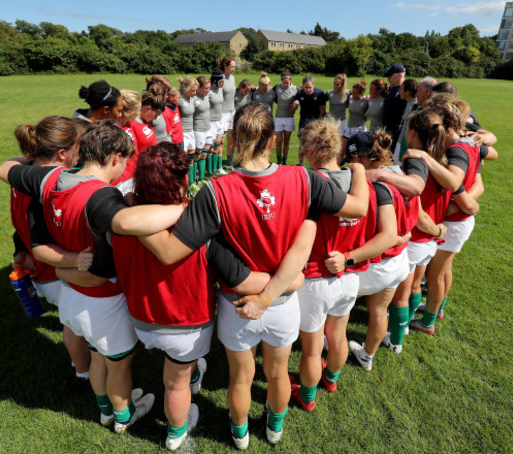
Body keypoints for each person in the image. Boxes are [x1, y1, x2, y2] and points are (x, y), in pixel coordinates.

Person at [136, 102, 369, 449]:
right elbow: (359, 208)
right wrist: (361, 171)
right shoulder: (304, 178)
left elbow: (169, 252)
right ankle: (274, 429)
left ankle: (240, 434)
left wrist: (129, 214)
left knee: (240, 378)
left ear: (233, 138)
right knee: (277, 374)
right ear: (273, 138)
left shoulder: (215, 192)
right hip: (282, 301)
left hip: (237, 304)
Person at [0, 121, 187, 434]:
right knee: (118, 365)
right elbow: (125, 227)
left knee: (98, 358)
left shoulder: (51, 178)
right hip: (103, 303)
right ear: (116, 158)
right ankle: (124, 415)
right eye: (125, 161)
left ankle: (104, 411)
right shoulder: (102, 198)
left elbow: (6, 171)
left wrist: (63, 268)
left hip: (71, 296)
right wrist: (185, 209)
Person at [109, 142, 278, 450]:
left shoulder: (122, 217)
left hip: (142, 319)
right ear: (184, 179)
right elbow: (238, 278)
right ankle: (176, 433)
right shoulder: (199, 224)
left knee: (177, 374)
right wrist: (285, 279)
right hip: (185, 324)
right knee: (176, 383)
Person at [289, 120, 373, 412]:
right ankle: (331, 379)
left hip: (315, 277)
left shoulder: (310, 182)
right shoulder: (358, 182)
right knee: (338, 335)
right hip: (348, 274)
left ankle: (307, 396)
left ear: (311, 149)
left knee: (312, 349)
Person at [9, 115, 92, 381]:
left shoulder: (22, 177)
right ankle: (87, 374)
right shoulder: (50, 186)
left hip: (40, 269)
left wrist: (19, 251)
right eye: (77, 149)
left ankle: (84, 370)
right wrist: (79, 259)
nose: (80, 156)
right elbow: (42, 237)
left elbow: (20, 223)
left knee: (72, 323)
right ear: (61, 153)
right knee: (76, 325)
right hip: (54, 271)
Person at [327, 131, 407, 372]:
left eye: (352, 160)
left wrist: (349, 258)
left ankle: (327, 356)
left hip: (377, 265)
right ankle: (367, 356)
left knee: (334, 312)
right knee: (379, 311)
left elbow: (387, 234)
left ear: (360, 158)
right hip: (399, 261)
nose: (350, 166)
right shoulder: (399, 173)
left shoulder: (378, 185)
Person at [403, 103, 480, 336]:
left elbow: (454, 183)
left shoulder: (456, 150)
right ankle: (437, 310)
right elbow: (478, 182)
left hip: (452, 223)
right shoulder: (467, 143)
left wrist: (426, 159)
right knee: (443, 270)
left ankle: (428, 321)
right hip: (451, 220)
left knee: (434, 275)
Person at [291, 75, 327, 165]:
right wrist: (294, 105)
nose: (308, 89)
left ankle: (316, 164)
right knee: (302, 145)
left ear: (313, 85)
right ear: (302, 86)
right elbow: (291, 111)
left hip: (316, 123)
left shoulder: (319, 94)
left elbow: (322, 111)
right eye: (306, 87)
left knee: (315, 145)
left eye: (310, 87)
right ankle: (300, 164)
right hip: (303, 123)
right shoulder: (300, 94)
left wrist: (319, 124)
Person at [113, 89, 141, 191]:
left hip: (132, 175)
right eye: (137, 110)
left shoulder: (128, 123)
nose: (139, 113)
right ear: (128, 112)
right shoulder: (113, 130)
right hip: (120, 182)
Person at [273, 70, 298, 165]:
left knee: (286, 142)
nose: (285, 84)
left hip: (289, 118)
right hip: (279, 118)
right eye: (283, 82)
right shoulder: (277, 87)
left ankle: (284, 161)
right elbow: (267, 89)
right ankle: (278, 161)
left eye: (287, 82)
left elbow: (302, 97)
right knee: (278, 142)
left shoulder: (295, 89)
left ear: (290, 80)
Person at [341, 80, 369, 162]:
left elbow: (372, 112)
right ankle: (337, 167)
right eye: (353, 92)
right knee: (342, 151)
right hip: (349, 129)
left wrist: (364, 119)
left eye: (356, 93)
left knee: (357, 154)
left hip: (359, 130)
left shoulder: (365, 101)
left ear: (361, 93)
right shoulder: (350, 98)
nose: (353, 94)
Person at [178, 76, 198, 185]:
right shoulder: (179, 99)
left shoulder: (191, 98)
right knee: (183, 159)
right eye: (193, 90)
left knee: (191, 156)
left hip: (190, 131)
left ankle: (191, 182)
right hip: (182, 133)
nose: (195, 93)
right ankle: (183, 183)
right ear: (185, 88)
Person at [393, 78, 419, 164]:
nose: (399, 91)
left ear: (407, 92)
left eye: (401, 89)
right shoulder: (408, 103)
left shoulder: (415, 106)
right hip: (400, 141)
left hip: (405, 145)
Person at [382, 63, 407, 146]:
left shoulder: (406, 92)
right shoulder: (392, 88)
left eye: (390, 76)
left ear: (399, 75)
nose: (388, 79)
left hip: (396, 134)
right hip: (387, 131)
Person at [193, 76, 213, 183]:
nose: (208, 90)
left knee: (204, 154)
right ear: (198, 87)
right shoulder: (193, 98)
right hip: (198, 130)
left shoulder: (207, 96)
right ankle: (194, 179)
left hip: (208, 128)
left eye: (208, 88)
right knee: (197, 155)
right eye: (205, 88)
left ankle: (201, 179)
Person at [208, 70, 227, 176]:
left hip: (220, 121)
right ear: (215, 81)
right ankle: (210, 171)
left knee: (218, 146)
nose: (222, 83)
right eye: (221, 81)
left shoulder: (220, 90)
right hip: (211, 123)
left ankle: (216, 169)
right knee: (210, 148)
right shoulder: (209, 91)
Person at [219, 56, 236, 166]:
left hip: (232, 112)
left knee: (231, 138)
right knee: (221, 140)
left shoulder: (232, 78)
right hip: (222, 113)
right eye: (232, 66)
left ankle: (229, 163)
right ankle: (218, 165)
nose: (234, 68)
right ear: (225, 66)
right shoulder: (220, 78)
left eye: (234, 66)